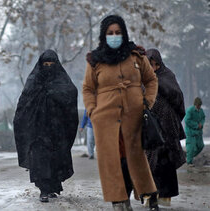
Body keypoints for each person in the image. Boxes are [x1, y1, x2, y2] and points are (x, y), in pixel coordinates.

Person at [82, 15, 159, 211]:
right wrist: (92, 111)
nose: (114, 36)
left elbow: (151, 80)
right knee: (113, 162)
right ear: (104, 35)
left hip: (134, 118)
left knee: (136, 158)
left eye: (118, 32)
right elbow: (88, 89)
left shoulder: (136, 55)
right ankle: (119, 200)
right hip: (105, 121)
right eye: (110, 33)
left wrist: (147, 102)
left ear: (124, 33)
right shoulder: (95, 61)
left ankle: (149, 196)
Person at [13, 50, 78, 203]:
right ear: (41, 65)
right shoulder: (34, 81)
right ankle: (44, 189)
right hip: (38, 130)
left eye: (51, 64)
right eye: (45, 64)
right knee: (40, 159)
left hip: (57, 129)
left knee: (55, 159)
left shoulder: (61, 81)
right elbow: (24, 103)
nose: (48, 67)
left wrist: (54, 94)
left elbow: (71, 93)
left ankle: (53, 186)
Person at [144, 48, 186, 207]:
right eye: (150, 64)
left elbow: (177, 97)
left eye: (156, 64)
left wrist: (158, 84)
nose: (154, 68)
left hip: (168, 127)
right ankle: (150, 196)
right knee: (149, 162)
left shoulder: (168, 76)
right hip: (150, 128)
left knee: (165, 162)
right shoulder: (143, 79)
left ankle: (165, 196)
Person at [184, 97, 206, 166]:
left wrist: (201, 124)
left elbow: (203, 118)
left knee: (200, 146)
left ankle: (188, 156)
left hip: (198, 132)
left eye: (200, 105)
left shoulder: (201, 111)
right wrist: (196, 125)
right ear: (195, 104)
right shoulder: (190, 110)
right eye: (198, 105)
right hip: (190, 133)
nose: (199, 106)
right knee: (191, 147)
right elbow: (187, 120)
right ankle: (189, 162)